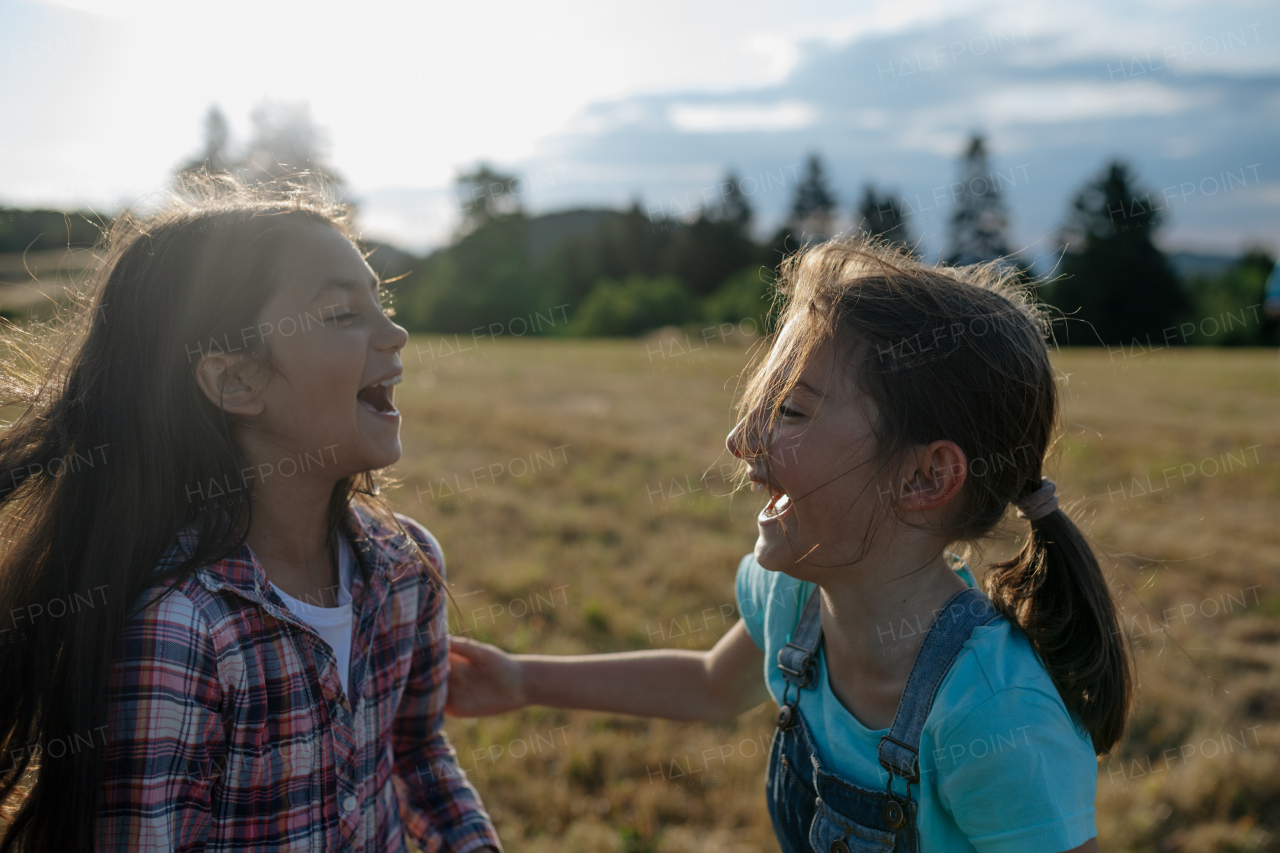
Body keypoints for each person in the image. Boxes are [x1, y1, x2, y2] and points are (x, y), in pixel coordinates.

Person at [446, 236, 1132, 853]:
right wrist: (521, 678)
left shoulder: (995, 714)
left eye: (792, 411)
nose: (740, 440)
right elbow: (713, 685)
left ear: (925, 475)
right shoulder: (793, 595)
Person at [0, 175, 500, 853]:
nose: (396, 330)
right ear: (236, 380)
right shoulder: (182, 632)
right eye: (341, 314)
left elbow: (416, 753)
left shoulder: (407, 568)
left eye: (380, 303)